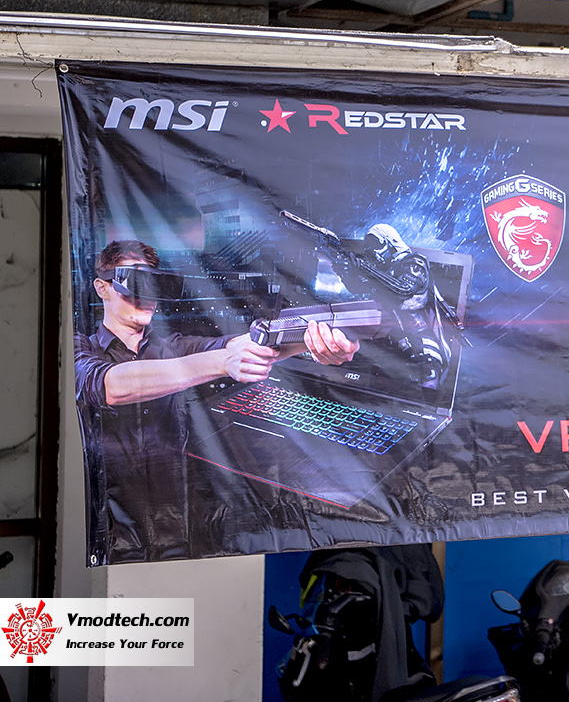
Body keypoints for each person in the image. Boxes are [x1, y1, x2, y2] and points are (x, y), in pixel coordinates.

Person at [74, 239, 360, 563]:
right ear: (102, 287)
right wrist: (222, 362)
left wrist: (313, 340)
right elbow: (110, 385)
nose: (146, 295)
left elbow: (246, 344)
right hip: (113, 532)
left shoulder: (174, 347)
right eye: (135, 282)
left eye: (153, 283)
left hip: (182, 529)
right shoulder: (81, 349)